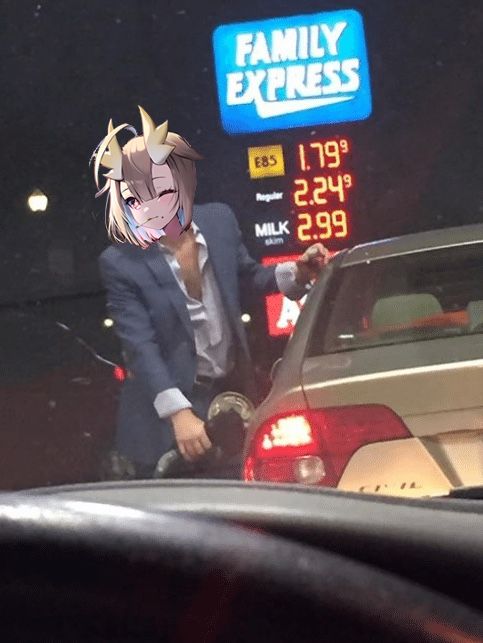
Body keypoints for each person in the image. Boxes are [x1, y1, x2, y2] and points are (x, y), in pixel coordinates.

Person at [93, 107, 328, 477]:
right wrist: (178, 413)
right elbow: (140, 346)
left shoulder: (219, 221)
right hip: (164, 418)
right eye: (136, 195)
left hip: (230, 397)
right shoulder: (121, 262)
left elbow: (247, 278)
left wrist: (297, 272)